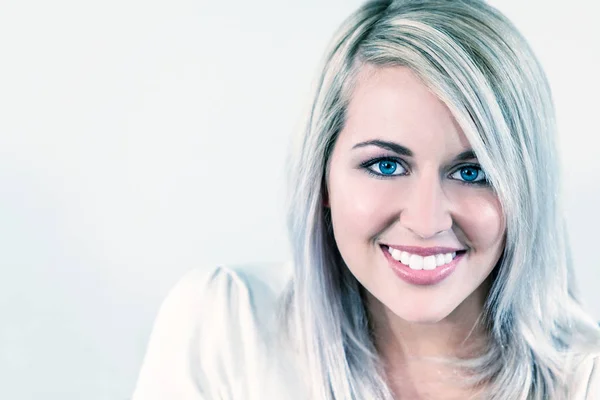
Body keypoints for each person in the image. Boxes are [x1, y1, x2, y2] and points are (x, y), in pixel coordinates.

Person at [131, 0, 600, 398]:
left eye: (474, 172)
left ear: (527, 192)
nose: (426, 220)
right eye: (386, 166)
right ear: (323, 180)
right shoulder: (228, 327)